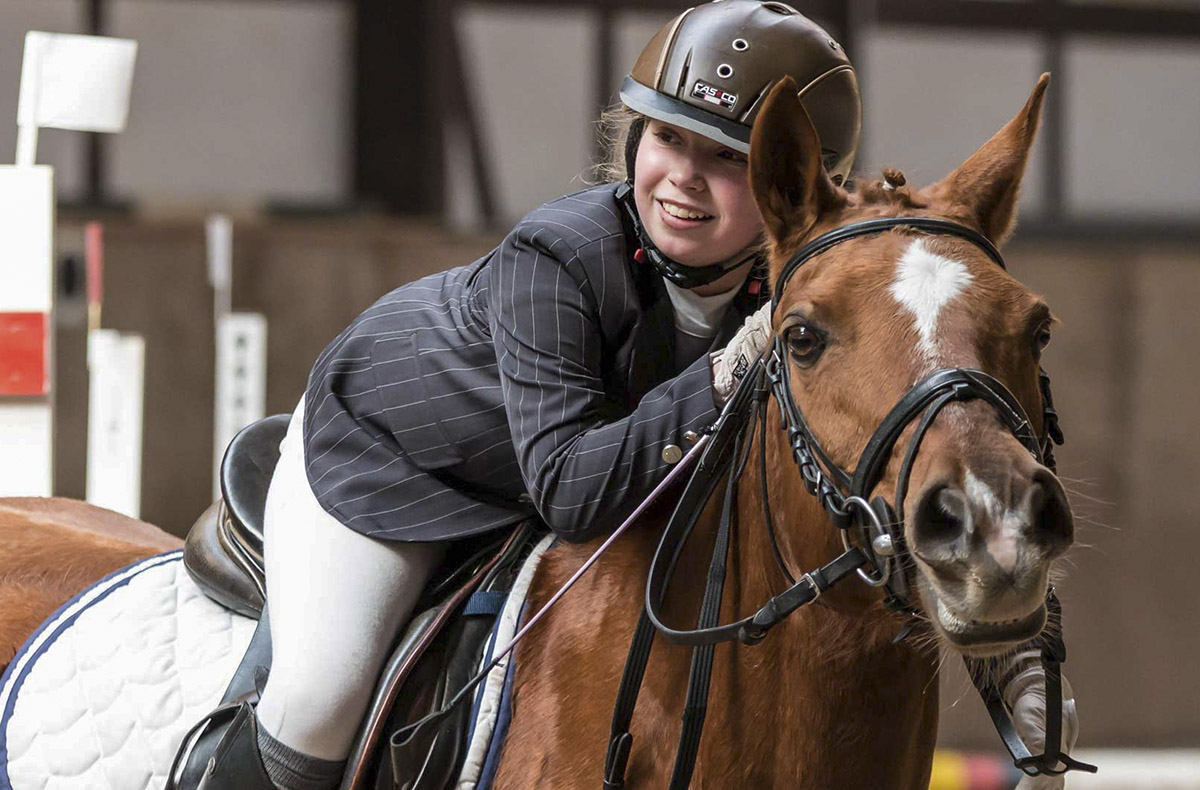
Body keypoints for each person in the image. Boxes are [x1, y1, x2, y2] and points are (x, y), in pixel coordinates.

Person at [178, 2, 1077, 788]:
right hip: (396, 462)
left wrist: (1012, 639)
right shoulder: (557, 256)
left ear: (785, 183)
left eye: (722, 156)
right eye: (667, 138)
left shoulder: (804, 290)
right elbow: (571, 492)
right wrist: (734, 364)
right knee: (316, 701)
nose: (682, 175)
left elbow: (866, 479)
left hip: (583, 464)